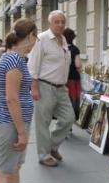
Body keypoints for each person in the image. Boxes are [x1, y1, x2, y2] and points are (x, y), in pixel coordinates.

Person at [0, 20, 42, 183]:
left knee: (14, 169)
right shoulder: (13, 60)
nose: (36, 41)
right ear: (29, 36)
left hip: (16, 122)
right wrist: (21, 132)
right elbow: (11, 99)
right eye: (36, 36)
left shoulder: (17, 58)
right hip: (10, 123)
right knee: (5, 170)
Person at [28, 10, 75, 167]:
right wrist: (34, 87)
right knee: (43, 123)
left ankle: (52, 147)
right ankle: (44, 155)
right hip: (44, 86)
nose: (60, 24)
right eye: (57, 22)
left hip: (61, 88)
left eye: (63, 22)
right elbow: (32, 65)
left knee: (69, 118)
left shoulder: (63, 40)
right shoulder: (41, 39)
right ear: (49, 23)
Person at [63, 28, 82, 118]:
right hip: (73, 78)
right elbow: (78, 65)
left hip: (62, 78)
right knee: (73, 98)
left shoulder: (61, 48)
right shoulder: (74, 49)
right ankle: (72, 117)